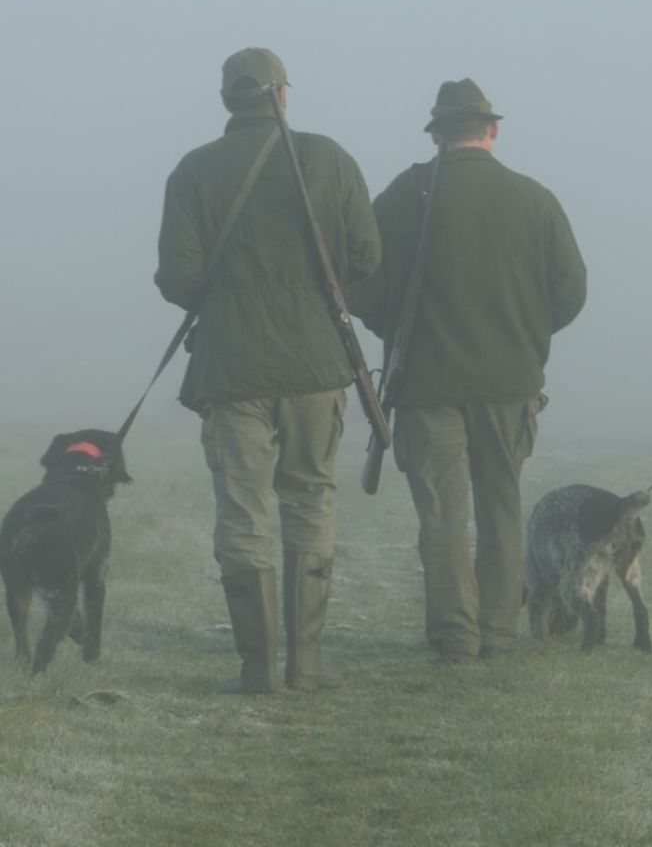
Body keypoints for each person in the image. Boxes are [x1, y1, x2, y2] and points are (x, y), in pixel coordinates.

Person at [155, 48, 380, 692]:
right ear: (283, 95)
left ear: (228, 100)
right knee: (310, 500)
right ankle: (306, 665)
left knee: (243, 512)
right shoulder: (329, 158)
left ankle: (258, 669)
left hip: (231, 368)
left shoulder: (193, 171)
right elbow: (365, 256)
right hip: (315, 364)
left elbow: (179, 278)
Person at [349, 79, 587, 663]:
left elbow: (360, 282)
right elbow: (572, 292)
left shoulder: (405, 195)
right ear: (493, 130)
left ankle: (455, 637)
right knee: (502, 510)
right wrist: (526, 338)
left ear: (436, 135)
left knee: (442, 517)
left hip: (427, 387)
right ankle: (499, 634)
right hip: (511, 388)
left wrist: (401, 335)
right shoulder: (534, 199)